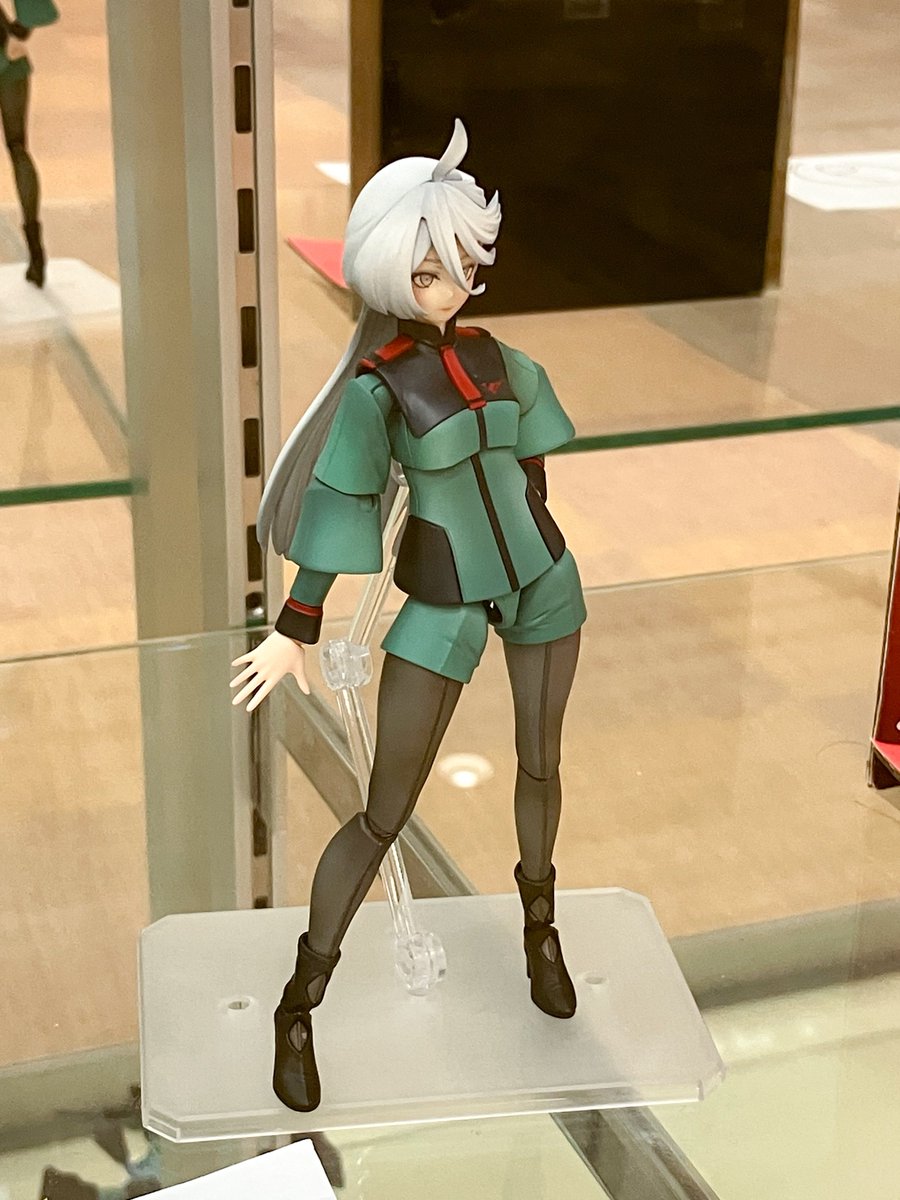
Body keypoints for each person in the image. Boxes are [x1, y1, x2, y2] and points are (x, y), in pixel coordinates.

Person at [231, 120, 587, 1112]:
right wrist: (295, 625)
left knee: (542, 763)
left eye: (463, 265)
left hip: (543, 581)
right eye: (430, 270)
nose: (452, 284)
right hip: (439, 599)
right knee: (385, 812)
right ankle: (300, 1001)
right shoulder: (376, 390)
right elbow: (342, 504)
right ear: (388, 270)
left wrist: (532, 520)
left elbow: (533, 462)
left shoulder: (505, 359)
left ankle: (540, 928)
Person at [0, 0, 58, 287]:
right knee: (18, 147)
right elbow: (36, 8)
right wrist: (17, 32)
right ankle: (36, 252)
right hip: (10, 60)